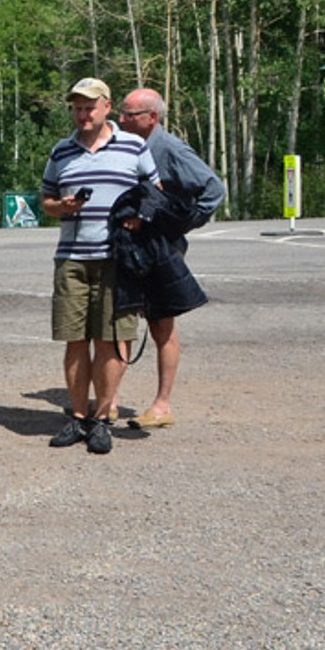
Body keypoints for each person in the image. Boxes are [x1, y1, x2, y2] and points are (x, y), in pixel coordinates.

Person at [40, 77, 158, 454]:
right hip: (72, 258)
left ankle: (103, 419)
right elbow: (46, 201)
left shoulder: (133, 146)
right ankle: (78, 417)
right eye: (77, 108)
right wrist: (62, 207)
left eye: (89, 107)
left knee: (110, 341)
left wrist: (139, 217)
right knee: (75, 340)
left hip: (116, 259)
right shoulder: (61, 151)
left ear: (107, 106)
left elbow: (155, 194)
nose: (83, 114)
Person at [115, 87, 226, 429]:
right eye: (121, 112)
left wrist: (175, 225)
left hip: (160, 250)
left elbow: (213, 189)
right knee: (120, 322)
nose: (121, 119)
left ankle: (162, 406)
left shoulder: (170, 148)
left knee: (161, 326)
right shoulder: (125, 145)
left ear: (152, 117)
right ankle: (110, 401)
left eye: (129, 114)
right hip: (128, 247)